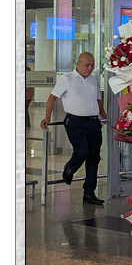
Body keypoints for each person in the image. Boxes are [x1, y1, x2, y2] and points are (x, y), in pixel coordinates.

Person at [40, 52, 107, 205]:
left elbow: (98, 99)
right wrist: (47, 116)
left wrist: (103, 115)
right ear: (78, 64)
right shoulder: (66, 79)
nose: (90, 68)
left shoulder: (93, 79)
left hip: (93, 123)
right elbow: (52, 97)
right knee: (82, 152)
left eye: (92, 65)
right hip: (76, 123)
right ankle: (70, 167)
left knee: (94, 158)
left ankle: (89, 193)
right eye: (87, 65)